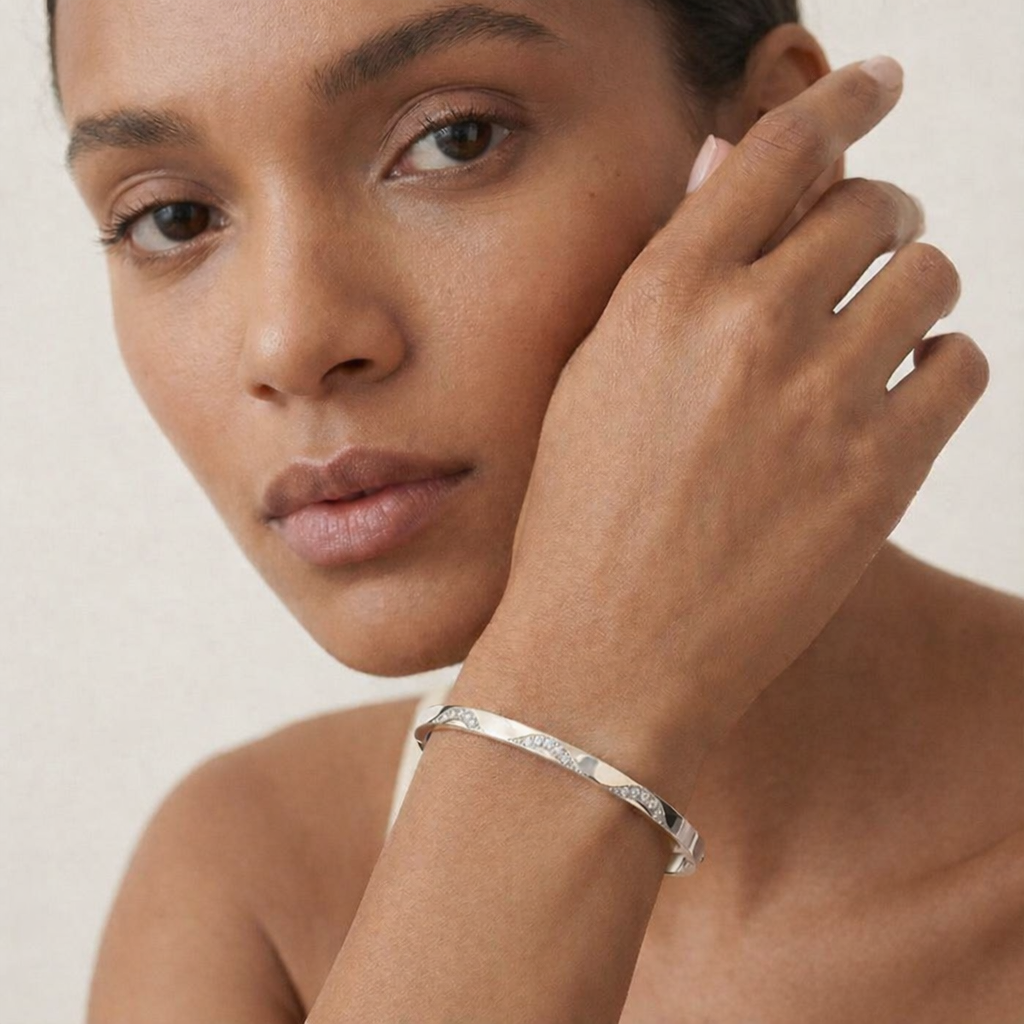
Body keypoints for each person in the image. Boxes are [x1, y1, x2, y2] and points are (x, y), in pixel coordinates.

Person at [46, 0, 1022, 1019]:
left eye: (454, 139)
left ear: (774, 143)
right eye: (171, 218)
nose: (290, 342)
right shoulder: (252, 878)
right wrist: (588, 691)